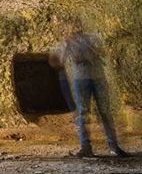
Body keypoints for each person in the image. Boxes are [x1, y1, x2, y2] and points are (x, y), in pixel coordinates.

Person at [53, 30, 128, 158]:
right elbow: (60, 62)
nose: (72, 28)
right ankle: (85, 148)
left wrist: (92, 49)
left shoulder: (93, 37)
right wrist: (66, 45)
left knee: (105, 111)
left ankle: (114, 146)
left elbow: (104, 53)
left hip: (98, 78)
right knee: (83, 113)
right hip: (81, 80)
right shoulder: (67, 42)